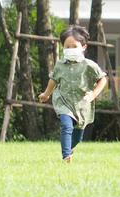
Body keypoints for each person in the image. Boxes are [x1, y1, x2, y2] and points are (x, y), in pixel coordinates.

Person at [38, 26, 107, 163]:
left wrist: (93, 94)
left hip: (82, 104)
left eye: (74, 46)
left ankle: (69, 148)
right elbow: (53, 80)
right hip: (63, 101)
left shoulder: (89, 65)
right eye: (67, 46)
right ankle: (66, 156)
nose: (70, 49)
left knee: (78, 137)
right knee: (67, 126)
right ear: (63, 47)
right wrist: (46, 94)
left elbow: (102, 79)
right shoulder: (60, 65)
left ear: (83, 47)